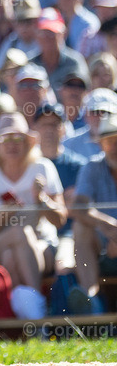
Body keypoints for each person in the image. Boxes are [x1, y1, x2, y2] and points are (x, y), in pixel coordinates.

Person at [0, 113, 66, 319]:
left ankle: (19, 322)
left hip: (41, 245)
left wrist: (41, 199)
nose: (11, 144)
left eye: (18, 138)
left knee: (11, 256)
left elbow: (60, 220)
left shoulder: (43, 168)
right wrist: (4, 215)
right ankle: (38, 309)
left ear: (28, 143)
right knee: (20, 233)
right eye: (5, 138)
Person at [70, 114, 117, 314]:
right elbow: (78, 207)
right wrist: (110, 228)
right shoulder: (92, 166)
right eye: (109, 141)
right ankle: (90, 298)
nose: (114, 147)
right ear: (100, 145)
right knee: (80, 227)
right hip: (104, 245)